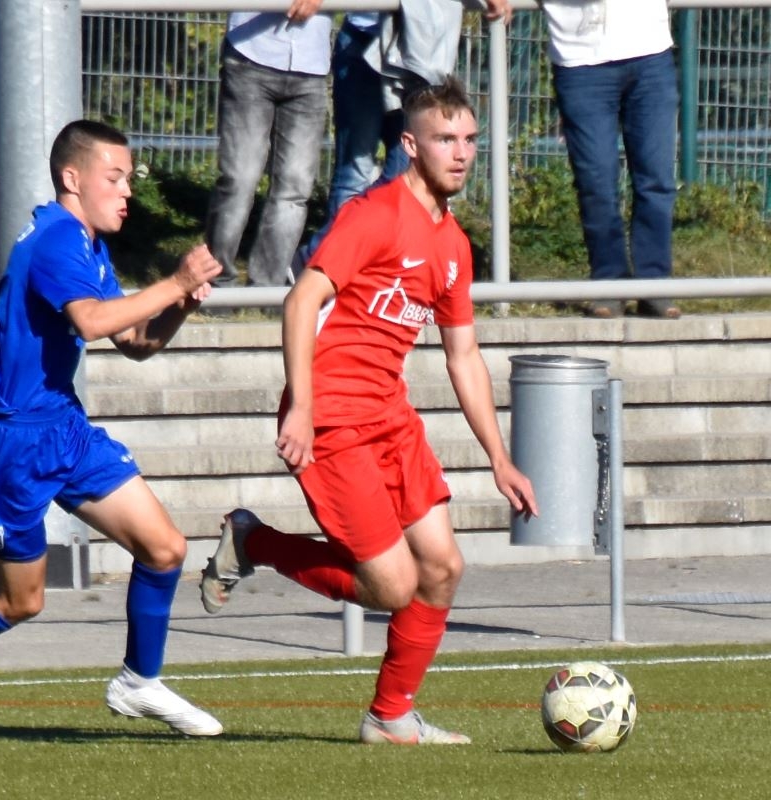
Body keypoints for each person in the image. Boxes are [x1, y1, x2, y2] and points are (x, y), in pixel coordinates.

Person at [201, 79, 538, 745]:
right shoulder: (375, 215)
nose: (461, 153)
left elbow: (464, 356)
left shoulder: (453, 245)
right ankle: (253, 542)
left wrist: (500, 459)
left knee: (442, 568)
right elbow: (301, 301)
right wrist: (301, 406)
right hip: (331, 417)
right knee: (391, 587)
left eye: (470, 139)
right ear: (411, 145)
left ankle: (389, 717)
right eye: (445, 139)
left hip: (389, 417)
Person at [0, 120, 224, 739]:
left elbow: (132, 341)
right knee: (22, 600)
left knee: (165, 548)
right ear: (72, 178)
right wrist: (174, 281)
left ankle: (139, 681)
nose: (127, 192)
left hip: (61, 425)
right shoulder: (57, 238)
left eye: (129, 179)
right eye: (115, 178)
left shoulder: (87, 244)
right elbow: (90, 322)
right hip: (5, 442)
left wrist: (178, 308)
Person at [291, 0, 512, 281]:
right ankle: (325, 268)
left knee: (406, 173)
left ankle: (338, 261)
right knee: (355, 172)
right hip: (364, 38)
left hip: (415, 47)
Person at [540, 0, 681, 318]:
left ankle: (654, 284)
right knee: (597, 182)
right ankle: (608, 282)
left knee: (656, 178)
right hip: (579, 58)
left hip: (650, 52)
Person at [204, 1, 331, 290]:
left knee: (295, 190)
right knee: (239, 180)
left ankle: (267, 289)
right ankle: (217, 283)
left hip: (311, 65)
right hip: (250, 54)